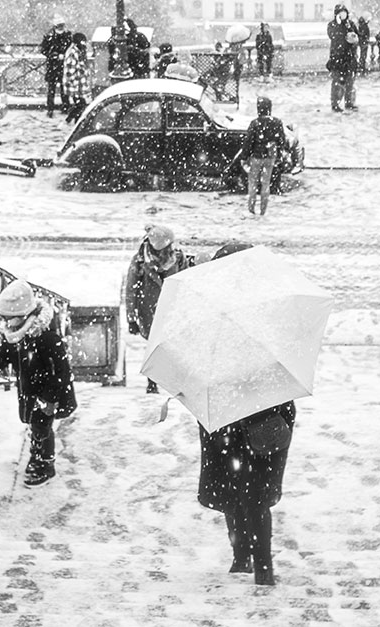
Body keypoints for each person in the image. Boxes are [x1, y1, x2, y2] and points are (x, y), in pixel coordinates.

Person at [197, 240, 295, 587]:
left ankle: (254, 564)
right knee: (244, 494)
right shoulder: (267, 310)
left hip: (247, 414)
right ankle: (250, 561)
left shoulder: (240, 314)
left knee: (244, 494)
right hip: (247, 413)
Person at [0, 278, 77, 487]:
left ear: (28, 316)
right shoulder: (17, 338)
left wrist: (50, 398)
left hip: (49, 394)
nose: (9, 325)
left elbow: (62, 371)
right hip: (30, 391)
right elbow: (0, 358)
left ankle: (45, 465)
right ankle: (36, 457)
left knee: (42, 428)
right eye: (6, 319)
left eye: (14, 319)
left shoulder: (48, 338)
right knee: (35, 425)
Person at [125, 223, 194, 393]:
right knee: (154, 347)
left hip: (173, 309)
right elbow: (131, 289)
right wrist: (131, 318)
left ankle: (175, 381)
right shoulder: (140, 261)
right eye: (166, 246)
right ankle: (152, 381)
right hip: (149, 311)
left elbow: (186, 282)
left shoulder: (177, 258)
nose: (170, 248)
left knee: (175, 346)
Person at [236, 95, 288, 216]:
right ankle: (263, 209)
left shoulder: (255, 123)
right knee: (266, 183)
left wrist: (244, 157)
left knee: (253, 183)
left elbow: (249, 142)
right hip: (270, 157)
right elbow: (282, 140)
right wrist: (279, 155)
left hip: (256, 157)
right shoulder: (277, 122)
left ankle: (251, 208)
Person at [326, 4, 359, 112]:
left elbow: (356, 37)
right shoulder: (332, 25)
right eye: (341, 13)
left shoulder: (351, 24)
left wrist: (349, 30)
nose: (343, 15)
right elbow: (333, 36)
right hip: (337, 58)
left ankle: (349, 102)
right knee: (337, 82)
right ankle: (335, 103)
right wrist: (339, 26)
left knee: (350, 82)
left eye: (344, 12)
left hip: (349, 58)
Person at [40, 17, 72, 118]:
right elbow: (43, 50)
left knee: (63, 89)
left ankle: (64, 107)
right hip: (54, 66)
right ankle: (51, 109)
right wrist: (54, 55)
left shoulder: (67, 36)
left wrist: (64, 55)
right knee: (52, 90)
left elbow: (71, 48)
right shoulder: (50, 36)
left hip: (61, 66)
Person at [62, 32, 91, 124]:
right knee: (81, 105)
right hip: (75, 85)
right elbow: (70, 71)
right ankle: (70, 120)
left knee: (80, 105)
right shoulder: (73, 52)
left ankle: (74, 121)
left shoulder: (79, 51)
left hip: (78, 84)